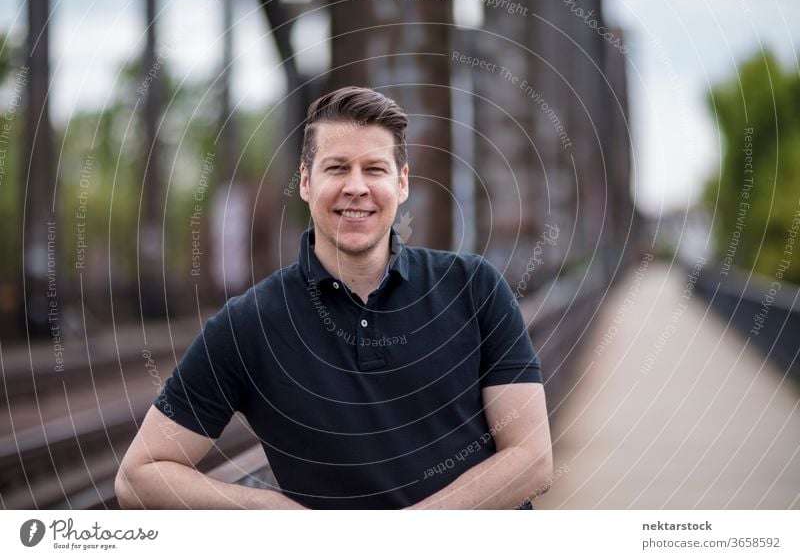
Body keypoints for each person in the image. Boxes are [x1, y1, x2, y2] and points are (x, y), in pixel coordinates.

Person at [115, 86, 553, 510]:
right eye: (337, 167)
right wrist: (266, 509)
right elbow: (138, 476)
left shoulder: (474, 287)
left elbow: (532, 459)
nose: (356, 187)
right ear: (306, 183)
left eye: (375, 169)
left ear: (402, 184)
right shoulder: (250, 322)